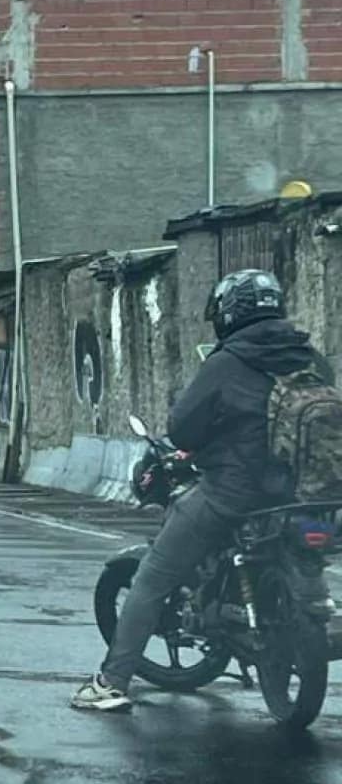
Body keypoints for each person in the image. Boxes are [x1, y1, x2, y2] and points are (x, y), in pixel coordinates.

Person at [72, 270, 334, 713]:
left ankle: (110, 682)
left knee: (153, 577)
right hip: (309, 496)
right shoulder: (311, 357)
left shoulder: (226, 362)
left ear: (230, 313)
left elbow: (182, 428)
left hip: (234, 494)